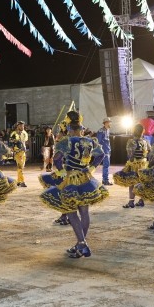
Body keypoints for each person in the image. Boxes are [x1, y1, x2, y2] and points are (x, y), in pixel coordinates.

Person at [39, 111, 108, 258]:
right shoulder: (90, 141)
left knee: (71, 211)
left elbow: (57, 158)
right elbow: (101, 155)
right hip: (86, 178)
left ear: (70, 128)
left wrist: (62, 170)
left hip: (71, 179)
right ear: (81, 128)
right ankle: (80, 245)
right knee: (84, 212)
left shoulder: (67, 141)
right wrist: (91, 167)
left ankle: (82, 243)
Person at [114, 123, 149, 209]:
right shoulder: (145, 141)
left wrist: (131, 160)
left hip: (134, 164)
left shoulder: (131, 141)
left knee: (131, 183)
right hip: (143, 164)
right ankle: (141, 200)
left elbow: (130, 155)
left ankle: (131, 201)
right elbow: (149, 151)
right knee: (141, 183)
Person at [9, 121, 29, 187]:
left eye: (23, 125)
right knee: (20, 166)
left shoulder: (24, 133)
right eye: (21, 126)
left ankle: (18, 181)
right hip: (17, 152)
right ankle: (22, 181)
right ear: (17, 126)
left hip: (23, 152)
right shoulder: (13, 134)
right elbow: (10, 143)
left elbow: (25, 142)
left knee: (21, 167)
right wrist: (12, 150)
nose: (22, 127)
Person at [96, 117, 112, 185]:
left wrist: (109, 150)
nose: (110, 123)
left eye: (110, 122)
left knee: (107, 165)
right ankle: (105, 180)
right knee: (105, 165)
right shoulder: (101, 131)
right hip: (104, 150)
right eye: (108, 122)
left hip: (107, 150)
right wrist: (101, 151)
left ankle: (105, 180)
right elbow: (98, 142)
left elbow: (108, 141)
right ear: (105, 123)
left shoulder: (107, 130)